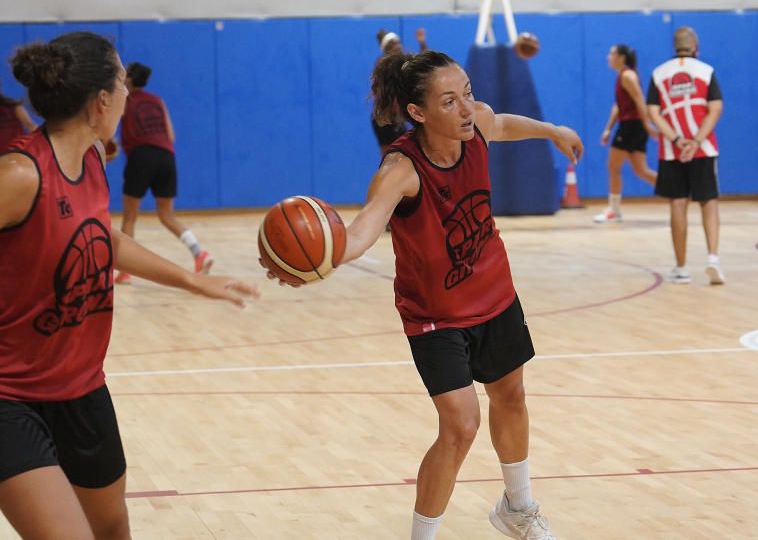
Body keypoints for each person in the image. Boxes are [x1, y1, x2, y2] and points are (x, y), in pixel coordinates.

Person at [0, 32, 259, 540]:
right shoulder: (18, 175)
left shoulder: (92, 156)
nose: (129, 93)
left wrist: (191, 282)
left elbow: (99, 237)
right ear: (101, 100)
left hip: (79, 385)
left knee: (112, 530)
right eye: (123, 82)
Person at [265, 50, 582, 539]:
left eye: (468, 94)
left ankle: (518, 508)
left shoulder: (475, 125)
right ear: (418, 113)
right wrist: (317, 257)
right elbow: (362, 231)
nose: (465, 108)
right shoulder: (400, 169)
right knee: (460, 427)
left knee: (511, 396)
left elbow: (503, 123)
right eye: (450, 101)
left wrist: (553, 130)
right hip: (435, 316)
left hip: (495, 294)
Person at [113, 62, 212, 284]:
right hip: (166, 157)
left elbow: (111, 125)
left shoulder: (125, 98)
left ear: (128, 80)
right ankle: (199, 253)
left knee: (130, 216)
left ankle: (125, 271)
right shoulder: (158, 101)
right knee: (167, 216)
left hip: (141, 156)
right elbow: (171, 135)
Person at [646, 26, 725, 285]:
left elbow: (654, 113)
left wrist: (678, 141)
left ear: (675, 47)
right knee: (709, 202)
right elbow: (715, 108)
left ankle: (681, 268)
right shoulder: (706, 71)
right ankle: (713, 259)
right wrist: (696, 141)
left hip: (672, 152)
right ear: (696, 47)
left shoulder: (659, 74)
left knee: (678, 204)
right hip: (703, 149)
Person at [593, 44, 657, 222]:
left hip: (631, 126)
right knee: (641, 170)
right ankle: (677, 191)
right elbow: (618, 106)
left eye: (611, 53)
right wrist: (608, 128)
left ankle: (614, 211)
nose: (608, 57)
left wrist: (647, 124)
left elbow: (639, 99)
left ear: (621, 57)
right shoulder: (623, 75)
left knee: (613, 167)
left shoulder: (628, 75)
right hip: (631, 125)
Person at [370, 28, 427, 156]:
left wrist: (422, 42)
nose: (398, 45)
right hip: (385, 115)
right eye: (393, 44)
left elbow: (424, 63)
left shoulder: (401, 63)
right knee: (390, 155)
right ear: (386, 48)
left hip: (395, 116)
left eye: (398, 42)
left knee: (403, 153)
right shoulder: (383, 64)